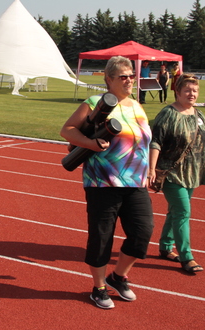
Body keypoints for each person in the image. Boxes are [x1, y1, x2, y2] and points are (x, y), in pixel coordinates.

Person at [60, 56, 153, 309]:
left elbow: (144, 141)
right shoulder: (94, 103)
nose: (130, 80)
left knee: (142, 232)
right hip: (102, 182)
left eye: (132, 76)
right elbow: (67, 130)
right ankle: (99, 287)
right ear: (109, 79)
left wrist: (150, 169)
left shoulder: (137, 106)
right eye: (123, 77)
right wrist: (90, 143)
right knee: (101, 237)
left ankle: (118, 276)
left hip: (136, 182)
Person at [149, 73, 205, 273]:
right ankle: (187, 257)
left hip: (192, 172)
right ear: (178, 92)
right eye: (187, 90)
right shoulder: (168, 114)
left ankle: (166, 247)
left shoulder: (199, 115)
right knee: (183, 212)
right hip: (171, 173)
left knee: (176, 211)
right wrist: (151, 169)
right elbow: (155, 142)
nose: (191, 94)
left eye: (195, 90)